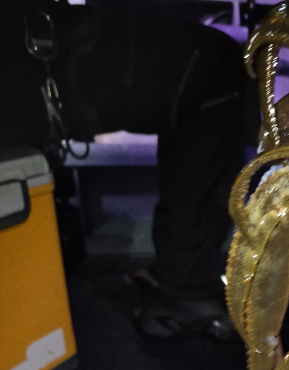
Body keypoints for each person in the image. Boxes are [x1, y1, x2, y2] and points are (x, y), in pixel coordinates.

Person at [1, 0, 259, 339]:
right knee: (213, 65)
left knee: (210, 64)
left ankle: (183, 280)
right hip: (20, 57)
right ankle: (182, 287)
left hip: (30, 40)